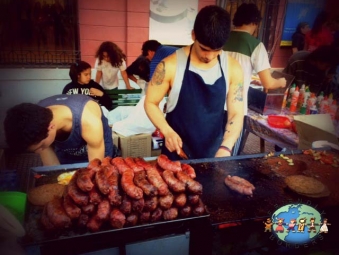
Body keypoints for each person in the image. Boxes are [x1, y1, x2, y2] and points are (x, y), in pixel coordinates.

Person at [144, 5, 244, 160]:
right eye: (204, 49)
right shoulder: (169, 65)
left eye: (216, 50)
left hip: (215, 154)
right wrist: (166, 130)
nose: (210, 56)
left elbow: (236, 112)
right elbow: (150, 102)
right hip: (176, 154)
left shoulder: (233, 68)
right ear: (193, 35)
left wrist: (226, 146)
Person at [223, 3, 286, 155]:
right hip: (235, 107)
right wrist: (281, 82)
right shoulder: (256, 45)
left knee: (214, 147)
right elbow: (268, 83)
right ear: (254, 23)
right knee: (229, 148)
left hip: (214, 103)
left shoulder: (222, 38)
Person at [4, 94, 116, 166]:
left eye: (41, 147)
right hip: (65, 148)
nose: (38, 152)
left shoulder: (89, 121)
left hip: (96, 145)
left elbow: (95, 168)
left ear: (51, 127)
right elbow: (53, 169)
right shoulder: (38, 121)